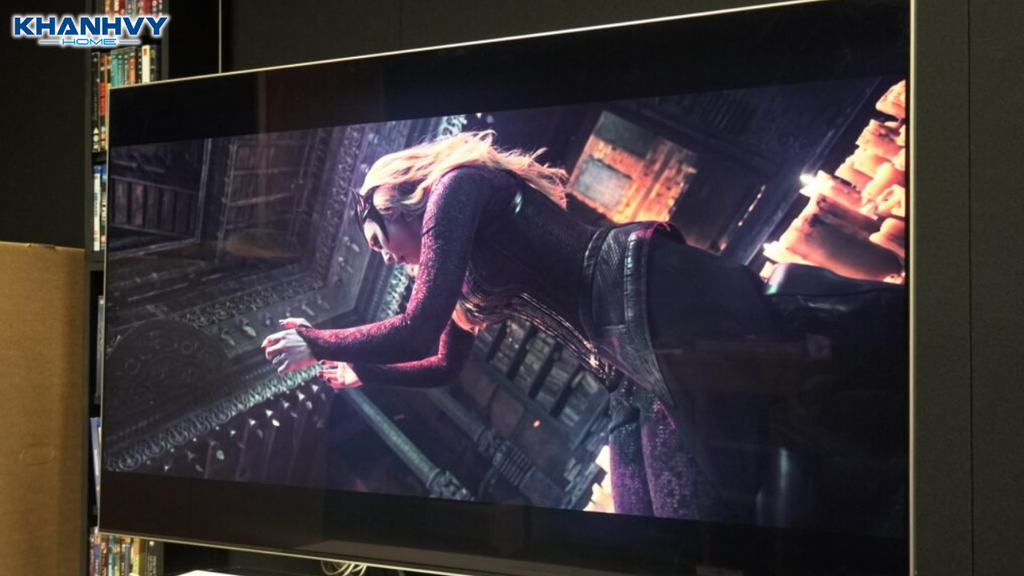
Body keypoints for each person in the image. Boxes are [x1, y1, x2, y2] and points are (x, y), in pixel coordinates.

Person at [261, 129, 906, 529]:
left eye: (380, 244)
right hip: (619, 359)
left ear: (394, 201)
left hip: (636, 295)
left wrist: (318, 339)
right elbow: (443, 362)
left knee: (717, 486)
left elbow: (415, 324)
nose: (389, 258)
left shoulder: (458, 187)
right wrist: (362, 369)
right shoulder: (458, 278)